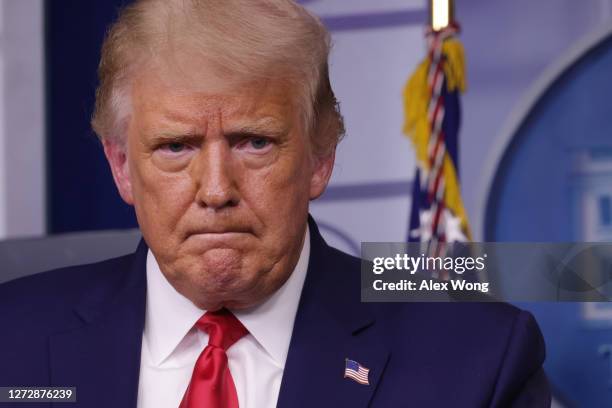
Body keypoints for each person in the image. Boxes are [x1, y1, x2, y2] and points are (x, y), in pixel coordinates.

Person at [0, 0, 550, 407]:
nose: (216, 190)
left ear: (320, 157)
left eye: (254, 142)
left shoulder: (476, 361)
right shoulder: (11, 342)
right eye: (175, 147)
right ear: (121, 166)